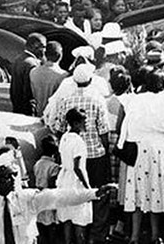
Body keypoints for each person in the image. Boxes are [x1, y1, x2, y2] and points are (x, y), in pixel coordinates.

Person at [50, 64, 112, 242]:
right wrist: (104, 151)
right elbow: (104, 131)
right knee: (98, 196)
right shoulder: (98, 99)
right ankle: (96, 235)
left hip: (71, 158)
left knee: (76, 200)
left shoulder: (66, 101)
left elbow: (59, 128)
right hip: (95, 155)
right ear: (91, 80)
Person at [122, 67, 164, 244]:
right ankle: (155, 235)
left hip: (139, 147)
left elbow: (127, 124)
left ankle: (135, 236)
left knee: (138, 191)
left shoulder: (136, 100)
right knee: (155, 189)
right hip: (160, 148)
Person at [58, 108, 93, 244]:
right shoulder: (78, 141)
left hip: (64, 181)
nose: (86, 124)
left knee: (67, 218)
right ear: (77, 123)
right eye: (84, 121)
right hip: (75, 183)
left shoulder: (64, 137)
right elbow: (78, 167)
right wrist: (88, 187)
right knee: (79, 219)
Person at [34, 136, 61, 244]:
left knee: (41, 227)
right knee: (51, 227)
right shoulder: (54, 167)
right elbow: (53, 184)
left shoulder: (37, 164)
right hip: (49, 198)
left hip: (39, 197)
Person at [11, 32, 46, 115]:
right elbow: (29, 91)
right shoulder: (32, 64)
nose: (44, 50)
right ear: (35, 46)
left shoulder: (18, 59)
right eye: (43, 47)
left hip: (17, 107)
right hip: (27, 110)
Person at [30, 41, 68, 117]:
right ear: (60, 55)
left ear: (45, 54)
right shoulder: (63, 76)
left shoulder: (33, 72)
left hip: (38, 113)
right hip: (54, 116)